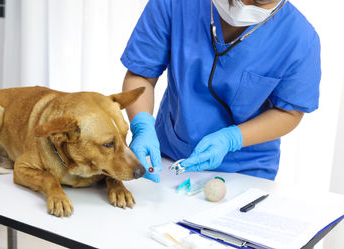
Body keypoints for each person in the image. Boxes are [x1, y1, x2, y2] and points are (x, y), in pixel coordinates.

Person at [120, 0, 321, 183]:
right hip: (167, 157)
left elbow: (289, 112)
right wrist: (142, 126)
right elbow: (142, 74)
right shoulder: (175, 4)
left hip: (245, 172)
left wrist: (231, 139)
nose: (245, 4)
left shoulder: (299, 38)